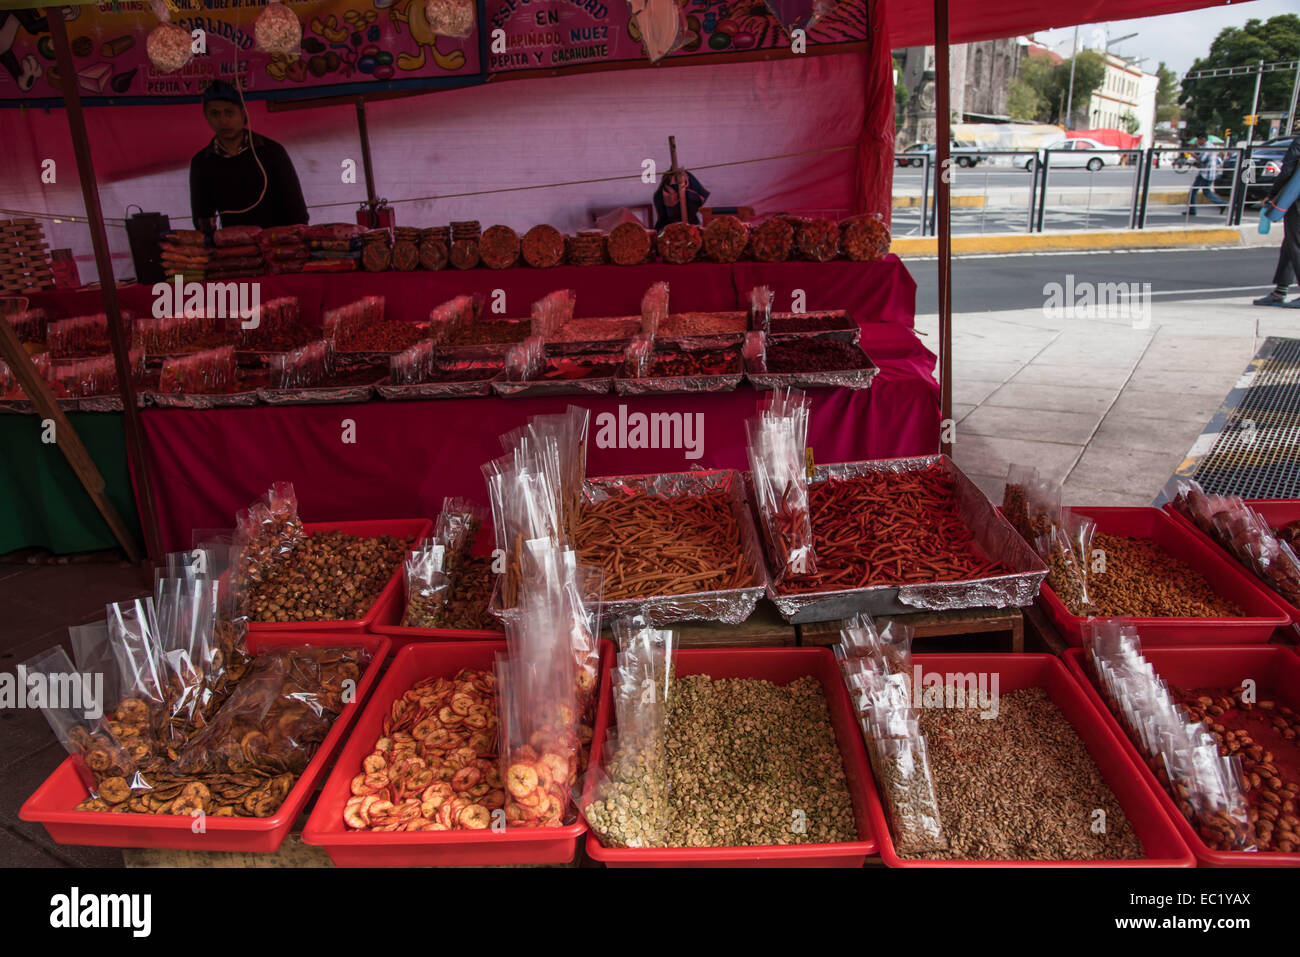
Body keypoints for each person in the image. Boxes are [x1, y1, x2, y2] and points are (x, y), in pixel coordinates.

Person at [189, 80, 308, 233]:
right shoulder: (202, 162)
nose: (223, 121)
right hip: (232, 249)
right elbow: (202, 218)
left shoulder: (272, 152)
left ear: (243, 113)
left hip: (278, 245)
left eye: (229, 112)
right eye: (215, 114)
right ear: (206, 117)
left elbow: (297, 211)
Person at [1253, 132, 1300, 308]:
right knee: (1290, 245)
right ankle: (1280, 291)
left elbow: (1287, 170)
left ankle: (1280, 292)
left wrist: (1273, 195)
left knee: (1295, 245)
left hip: (1296, 201)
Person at [1186, 135, 1226, 215]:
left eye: (1198, 140)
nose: (1197, 142)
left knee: (1194, 191)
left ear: (1203, 139)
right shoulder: (1209, 146)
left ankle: (1192, 210)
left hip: (1206, 173)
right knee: (1206, 191)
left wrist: (1192, 154)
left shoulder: (1207, 147)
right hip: (1208, 172)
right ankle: (1221, 203)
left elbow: (1202, 159)